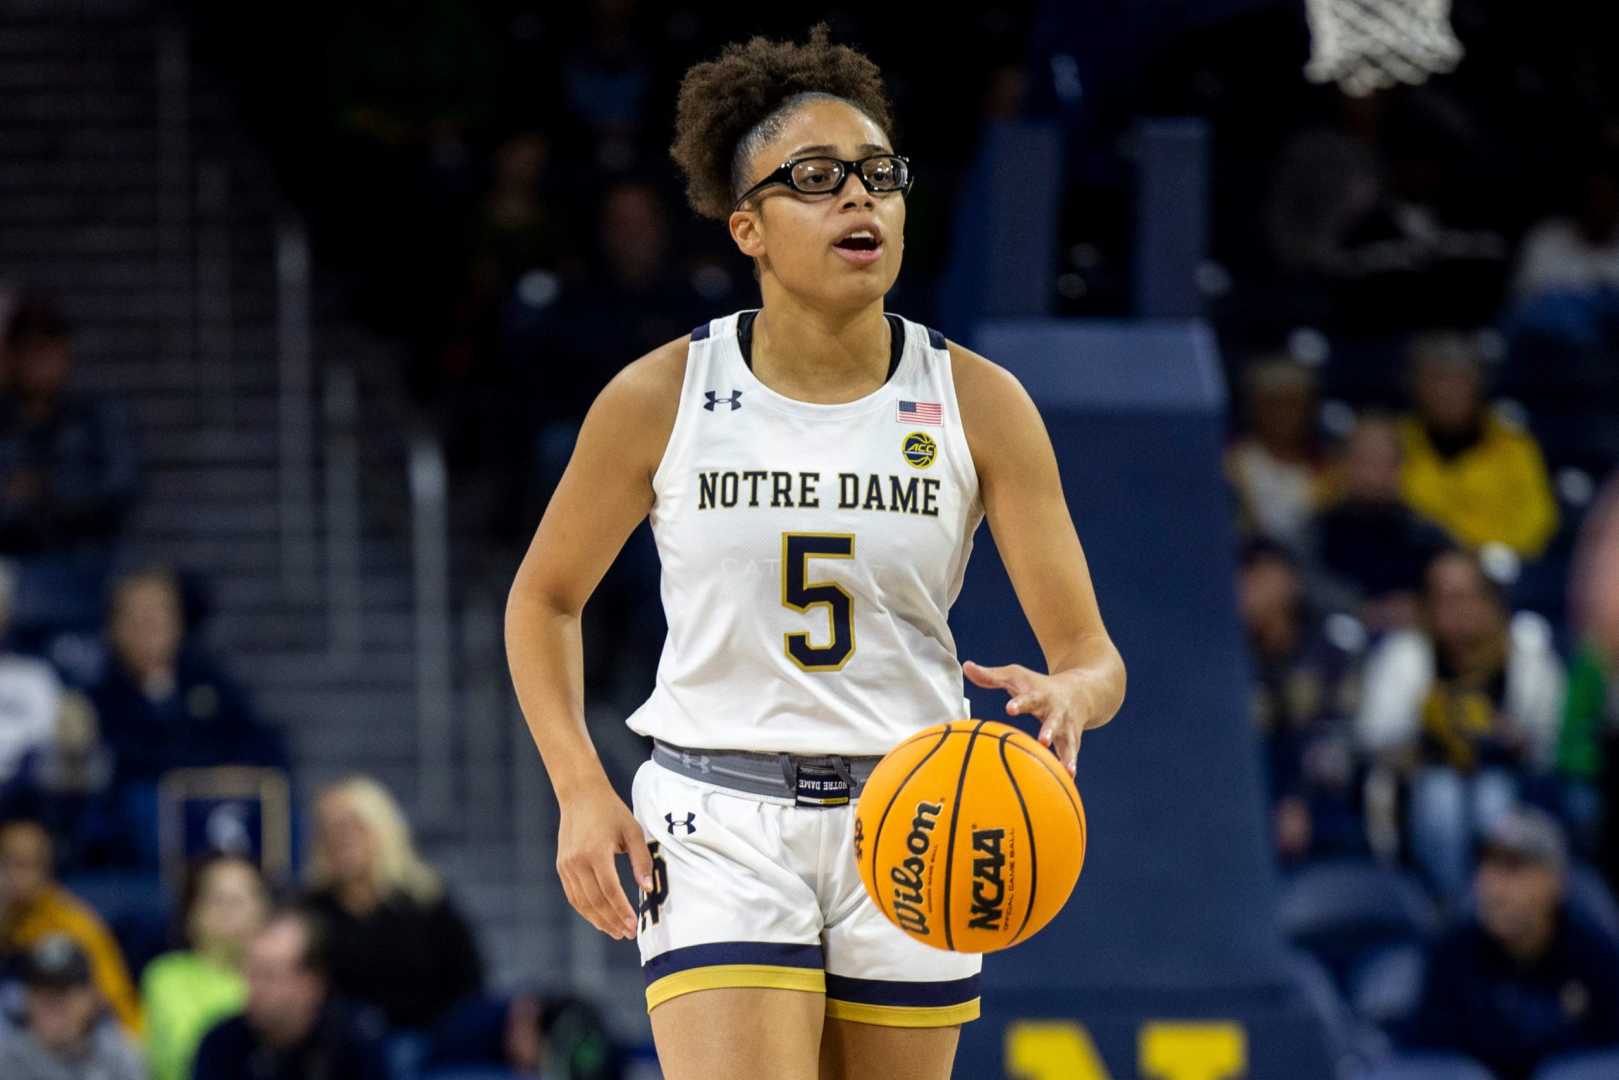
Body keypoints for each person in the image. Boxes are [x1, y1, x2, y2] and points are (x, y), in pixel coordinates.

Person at [503, 24, 1127, 1080]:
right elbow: (544, 601)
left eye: (878, 174)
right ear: (745, 225)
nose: (859, 198)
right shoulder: (663, 395)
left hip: (916, 811)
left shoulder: (979, 403)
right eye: (817, 178)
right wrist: (578, 787)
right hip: (717, 815)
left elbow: (1093, 657)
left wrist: (1071, 695)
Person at [1356, 548, 1566, 901]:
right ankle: (1452, 906)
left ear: (1492, 601)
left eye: (1469, 596)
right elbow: (1374, 737)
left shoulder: (1526, 656)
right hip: (1421, 787)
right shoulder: (1406, 656)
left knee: (1490, 802)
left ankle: (1496, 900)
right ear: (1427, 607)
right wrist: (1428, 734)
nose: (1459, 610)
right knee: (1442, 800)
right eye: (1446, 599)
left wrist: (1516, 739)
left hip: (1510, 783)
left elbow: (1551, 743)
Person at [88, 567, 285, 868]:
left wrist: (233, 773)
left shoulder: (209, 680)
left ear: (178, 622)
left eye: (159, 611)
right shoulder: (100, 697)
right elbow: (124, 760)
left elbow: (256, 738)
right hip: (144, 826)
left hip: (219, 802)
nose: (150, 623)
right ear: (115, 628)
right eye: (137, 614)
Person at [1403, 806, 1619, 1080]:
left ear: (1554, 881)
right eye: (1486, 866)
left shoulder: (1594, 953)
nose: (1494, 887)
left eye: (1513, 868)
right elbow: (1432, 1055)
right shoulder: (1452, 954)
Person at [302, 775, 483, 1030]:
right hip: (337, 1047)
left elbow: (469, 984)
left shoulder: (426, 902)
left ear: (381, 830)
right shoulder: (309, 911)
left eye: (352, 827)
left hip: (423, 1041)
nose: (341, 839)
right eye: (330, 829)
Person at [1238, 540, 1365, 864]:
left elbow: (1337, 735)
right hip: (1253, 797)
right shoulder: (1232, 659)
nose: (1249, 589)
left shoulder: (1330, 648)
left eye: (1261, 576)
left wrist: (1299, 801)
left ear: (1290, 581)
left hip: (1328, 799)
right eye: (1244, 576)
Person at [1396, 331, 1559, 559]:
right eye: (1435, 378)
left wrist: (1478, 552)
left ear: (1479, 383)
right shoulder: (1395, 443)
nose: (1446, 391)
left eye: (1458, 378)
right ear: (1415, 385)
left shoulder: (1513, 445)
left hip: (1496, 573)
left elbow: (1536, 524)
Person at [0, 296, 139, 558]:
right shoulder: (7, 425)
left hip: (91, 566)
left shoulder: (98, 420)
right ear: (12, 357)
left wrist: (46, 490)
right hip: (15, 571)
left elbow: (120, 488)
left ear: (65, 353)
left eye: (47, 350)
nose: (39, 364)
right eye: (29, 351)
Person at [191, 905, 390, 1080]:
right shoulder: (220, 1044)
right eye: (251, 972)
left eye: (268, 975)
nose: (254, 987)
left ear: (311, 984)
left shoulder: (355, 1041)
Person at [1311, 413, 1451, 631]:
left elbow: (1455, 582)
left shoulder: (1427, 534)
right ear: (1343, 465)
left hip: (1413, 640)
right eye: (1365, 461)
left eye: (1386, 462)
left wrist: (1420, 606)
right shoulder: (1313, 531)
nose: (1374, 475)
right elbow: (1301, 583)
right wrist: (1361, 609)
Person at [0, 819, 141, 1033]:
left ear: (47, 871)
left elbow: (117, 1006)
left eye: (26, 865)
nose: (15, 878)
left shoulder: (76, 925)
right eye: (6, 865)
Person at [140, 855, 271, 1080]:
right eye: (217, 899)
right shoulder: (166, 975)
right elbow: (185, 1053)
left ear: (264, 911)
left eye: (239, 899)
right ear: (192, 913)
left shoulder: (280, 976)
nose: (228, 910)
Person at [0, 933, 143, 1080]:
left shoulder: (119, 1056)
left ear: (91, 998)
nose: (51, 1006)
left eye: (62, 995)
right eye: (40, 994)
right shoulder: (6, 1059)